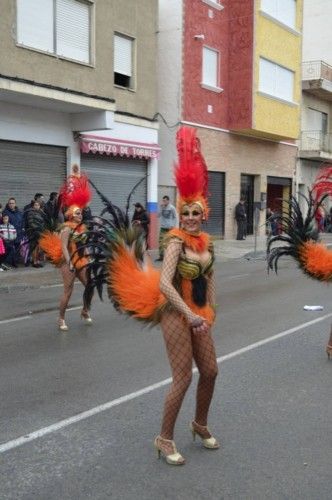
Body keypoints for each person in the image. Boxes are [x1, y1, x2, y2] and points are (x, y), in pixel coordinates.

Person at [2, 198, 23, 267]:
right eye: (10, 203)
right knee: (9, 249)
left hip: (18, 234)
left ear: (15, 204)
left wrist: (23, 229)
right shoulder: (5, 212)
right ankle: (7, 262)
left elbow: (22, 222)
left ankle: (14, 261)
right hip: (8, 235)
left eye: (13, 203)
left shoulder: (19, 212)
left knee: (16, 249)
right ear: (8, 204)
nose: (11, 204)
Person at [155, 195, 176, 261]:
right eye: (163, 200)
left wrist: (173, 225)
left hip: (170, 228)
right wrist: (161, 208)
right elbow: (157, 216)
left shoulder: (172, 207)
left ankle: (170, 256)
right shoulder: (162, 207)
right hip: (163, 227)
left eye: (165, 200)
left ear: (168, 201)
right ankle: (161, 256)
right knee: (161, 242)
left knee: (169, 242)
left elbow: (175, 217)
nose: (164, 202)